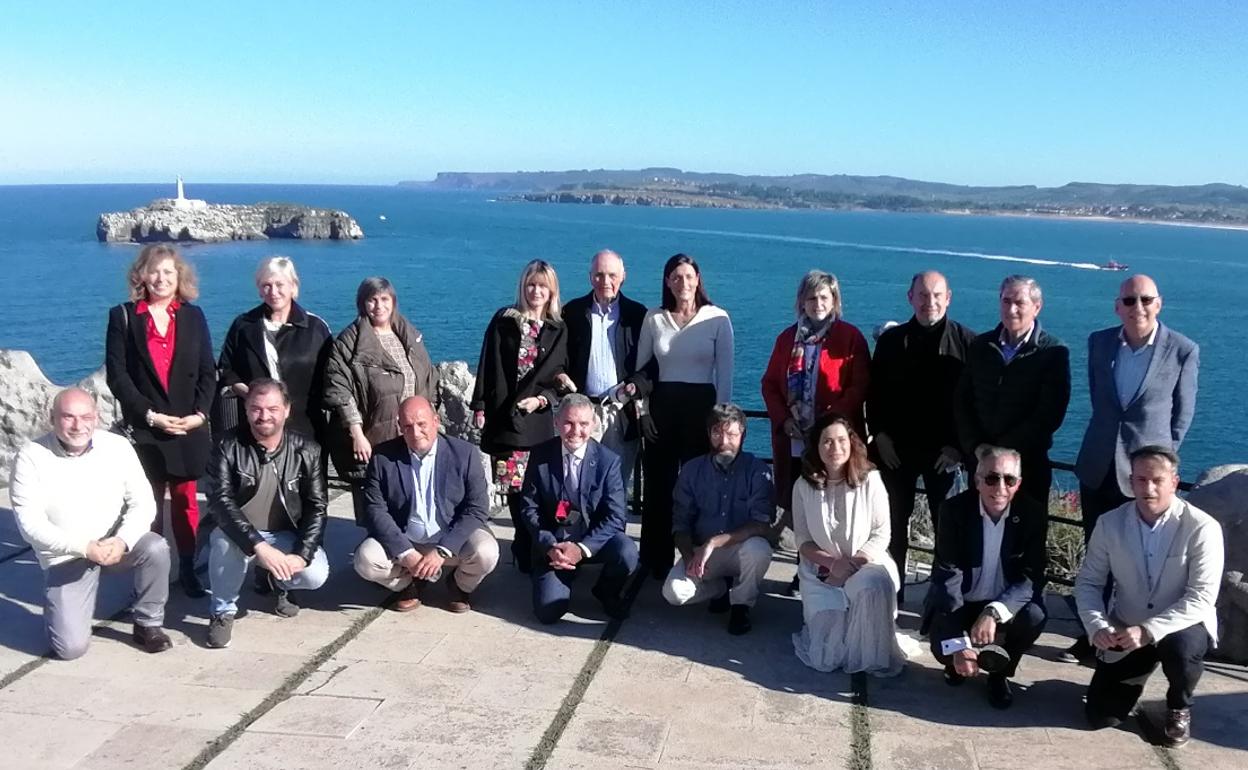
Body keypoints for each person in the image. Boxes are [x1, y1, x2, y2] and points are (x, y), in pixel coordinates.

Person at [1067, 275, 1200, 661]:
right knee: (1097, 553)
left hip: (1145, 476)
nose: (1137, 307)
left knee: (1139, 558)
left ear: (1158, 303)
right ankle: (1094, 633)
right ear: (1117, 306)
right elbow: (1100, 400)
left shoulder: (1182, 350)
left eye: (1144, 300)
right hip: (1099, 464)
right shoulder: (1099, 342)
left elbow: (1182, 417)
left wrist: (1159, 464)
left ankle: (1138, 634)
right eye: (1129, 300)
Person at [9, 388, 173, 658]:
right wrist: (84, 548)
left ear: (96, 418)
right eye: (68, 417)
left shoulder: (117, 446)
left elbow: (143, 502)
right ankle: (62, 609)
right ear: (52, 418)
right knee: (69, 649)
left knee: (155, 547)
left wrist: (122, 540)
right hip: (67, 554)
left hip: (112, 543)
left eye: (86, 417)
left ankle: (148, 623)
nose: (78, 426)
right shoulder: (30, 456)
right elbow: (30, 524)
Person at [1077, 446, 1223, 748]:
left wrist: (1149, 631)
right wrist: (1097, 626)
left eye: (1157, 480)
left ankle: (1179, 706)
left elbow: (1202, 597)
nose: (1148, 488)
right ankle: (1135, 676)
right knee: (1100, 717)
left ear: (1174, 481)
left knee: (1182, 650)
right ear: (1131, 482)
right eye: (1141, 480)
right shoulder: (1109, 523)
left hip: (1182, 626)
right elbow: (1089, 583)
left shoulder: (1203, 528)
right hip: (1127, 624)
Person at [105, 244, 216, 598]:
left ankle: (187, 568)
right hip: (146, 429)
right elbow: (118, 377)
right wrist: (150, 416)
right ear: (141, 275)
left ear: (179, 277)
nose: (161, 278)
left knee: (185, 504)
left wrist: (199, 416)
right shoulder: (123, 316)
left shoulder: (193, 316)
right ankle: (151, 571)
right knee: (146, 505)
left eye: (169, 272)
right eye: (154, 271)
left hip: (186, 428)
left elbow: (206, 372)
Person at [867, 270, 976, 590]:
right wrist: (880, 435)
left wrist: (957, 447)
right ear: (910, 298)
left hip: (945, 454)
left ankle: (943, 601)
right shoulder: (890, 341)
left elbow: (975, 404)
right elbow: (874, 395)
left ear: (949, 298)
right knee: (890, 525)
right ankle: (890, 594)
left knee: (948, 527)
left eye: (937, 295)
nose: (930, 302)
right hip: (896, 449)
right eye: (924, 295)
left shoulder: (969, 343)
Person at [761, 270, 869, 593]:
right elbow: (769, 385)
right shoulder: (786, 339)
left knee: (835, 511)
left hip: (834, 445)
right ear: (801, 302)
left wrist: (827, 422)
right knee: (804, 510)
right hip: (795, 442)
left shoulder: (850, 338)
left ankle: (836, 571)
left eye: (824, 297)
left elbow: (859, 386)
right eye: (812, 297)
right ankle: (804, 571)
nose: (817, 303)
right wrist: (784, 419)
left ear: (834, 301)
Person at [205, 379, 329, 648]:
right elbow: (220, 501)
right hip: (240, 532)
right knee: (223, 541)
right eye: (256, 409)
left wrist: (302, 554)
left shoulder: (307, 450)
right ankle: (222, 611)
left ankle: (278, 582)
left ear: (286, 410)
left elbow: (316, 507)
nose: (264, 416)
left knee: (315, 574)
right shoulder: (226, 445)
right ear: (246, 410)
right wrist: (258, 546)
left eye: (272, 409)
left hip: (284, 532)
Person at [632, 253, 734, 578]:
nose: (683, 283)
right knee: (658, 489)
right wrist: (642, 413)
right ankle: (653, 561)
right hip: (661, 411)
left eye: (689, 276)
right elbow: (641, 373)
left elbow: (726, 376)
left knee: (699, 489)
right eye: (676, 277)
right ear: (667, 282)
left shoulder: (718, 318)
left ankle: (701, 560)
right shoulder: (654, 318)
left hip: (701, 413)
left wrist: (721, 422)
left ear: (698, 279)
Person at [926, 445, 1048, 710]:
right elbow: (948, 577)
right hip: (961, 604)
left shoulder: (1031, 513)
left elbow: (1031, 577)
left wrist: (993, 612)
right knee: (942, 649)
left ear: (1018, 484)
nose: (1000, 487)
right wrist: (959, 645)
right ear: (977, 480)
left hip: (1002, 605)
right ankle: (959, 662)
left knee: (1035, 616)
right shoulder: (953, 510)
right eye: (992, 478)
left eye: (1009, 479)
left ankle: (999, 672)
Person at [355, 396, 499, 613]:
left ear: (436, 421)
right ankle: (408, 584)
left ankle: (459, 585)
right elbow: (375, 508)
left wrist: (443, 550)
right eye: (408, 426)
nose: (415, 433)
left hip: (451, 537)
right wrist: (405, 553)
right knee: (365, 560)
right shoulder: (383, 457)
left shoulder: (464, 453)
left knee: (486, 553)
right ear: (400, 427)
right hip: (407, 538)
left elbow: (477, 508)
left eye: (421, 424)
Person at [471, 259, 570, 573]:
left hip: (539, 423)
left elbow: (560, 375)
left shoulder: (558, 329)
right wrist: (480, 406)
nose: (536, 291)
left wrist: (542, 399)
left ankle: (535, 542)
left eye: (542, 285)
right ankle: (523, 543)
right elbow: (487, 363)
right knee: (514, 489)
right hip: (506, 420)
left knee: (540, 488)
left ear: (551, 290)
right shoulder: (504, 320)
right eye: (531, 284)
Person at [791, 413, 908, 676]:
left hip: (866, 562)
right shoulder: (803, 485)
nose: (835, 448)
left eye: (841, 440)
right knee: (826, 655)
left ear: (851, 443)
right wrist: (833, 564)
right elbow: (803, 541)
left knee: (872, 589)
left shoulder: (871, 480)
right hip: (823, 569)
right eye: (827, 441)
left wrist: (852, 564)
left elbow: (881, 533)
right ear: (817, 446)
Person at [323, 276, 438, 522]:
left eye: (384, 299)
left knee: (410, 500)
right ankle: (374, 554)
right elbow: (339, 389)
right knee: (375, 504)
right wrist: (357, 434)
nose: (379, 306)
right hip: (372, 436)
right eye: (372, 300)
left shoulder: (409, 335)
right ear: (362, 304)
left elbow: (428, 378)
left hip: (410, 433)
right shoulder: (349, 343)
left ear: (393, 301)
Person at [519, 394, 639, 624]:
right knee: (547, 612)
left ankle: (606, 590)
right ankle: (563, 575)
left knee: (627, 552)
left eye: (583, 424)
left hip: (593, 540)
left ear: (593, 424)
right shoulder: (541, 455)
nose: (576, 431)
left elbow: (616, 516)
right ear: (556, 422)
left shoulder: (608, 460)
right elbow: (529, 507)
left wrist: (582, 549)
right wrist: (549, 545)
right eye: (568, 423)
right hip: (555, 542)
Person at [955, 275, 1070, 505]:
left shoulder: (1053, 352)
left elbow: (1049, 413)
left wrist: (1002, 451)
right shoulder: (981, 346)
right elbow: (962, 400)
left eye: (1020, 303)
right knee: (981, 534)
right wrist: (977, 447)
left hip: (1028, 465)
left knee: (1026, 536)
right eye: (1006, 301)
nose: (1012, 309)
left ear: (1037, 307)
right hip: (981, 464)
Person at [661, 403, 774, 635]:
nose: (724, 442)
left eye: (732, 434)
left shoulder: (757, 471)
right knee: (673, 593)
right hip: (702, 552)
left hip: (739, 549)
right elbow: (680, 522)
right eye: (717, 433)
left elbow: (761, 524)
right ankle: (720, 590)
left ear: (743, 435)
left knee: (759, 550)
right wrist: (690, 556)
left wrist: (713, 543)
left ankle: (741, 605)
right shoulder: (692, 471)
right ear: (708, 434)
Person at [216, 256, 333, 441]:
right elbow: (227, 370)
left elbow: (332, 376)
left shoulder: (315, 328)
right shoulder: (244, 326)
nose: (274, 292)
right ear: (260, 290)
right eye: (266, 285)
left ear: (293, 286)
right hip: (256, 427)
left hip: (306, 429)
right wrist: (254, 397)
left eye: (280, 284)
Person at [561, 249, 648, 491]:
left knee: (615, 486)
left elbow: (651, 364)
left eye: (612, 275)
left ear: (623, 276)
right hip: (582, 411)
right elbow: (560, 357)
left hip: (619, 412)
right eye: (599, 275)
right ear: (590, 277)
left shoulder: (638, 314)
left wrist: (635, 386)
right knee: (577, 484)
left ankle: (612, 530)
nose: (605, 282)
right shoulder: (573, 312)